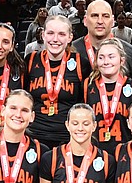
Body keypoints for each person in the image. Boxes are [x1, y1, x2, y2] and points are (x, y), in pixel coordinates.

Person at [24, 15, 90, 150]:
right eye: (50, 33)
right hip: (33, 135)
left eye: (61, 34)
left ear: (70, 37)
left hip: (67, 138)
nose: (55, 39)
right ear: (43, 35)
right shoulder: (30, 60)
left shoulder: (80, 63)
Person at [75, 0, 132, 76]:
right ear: (85, 21)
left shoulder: (130, 52)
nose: (100, 21)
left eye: (105, 16)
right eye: (95, 16)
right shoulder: (71, 50)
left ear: (113, 21)